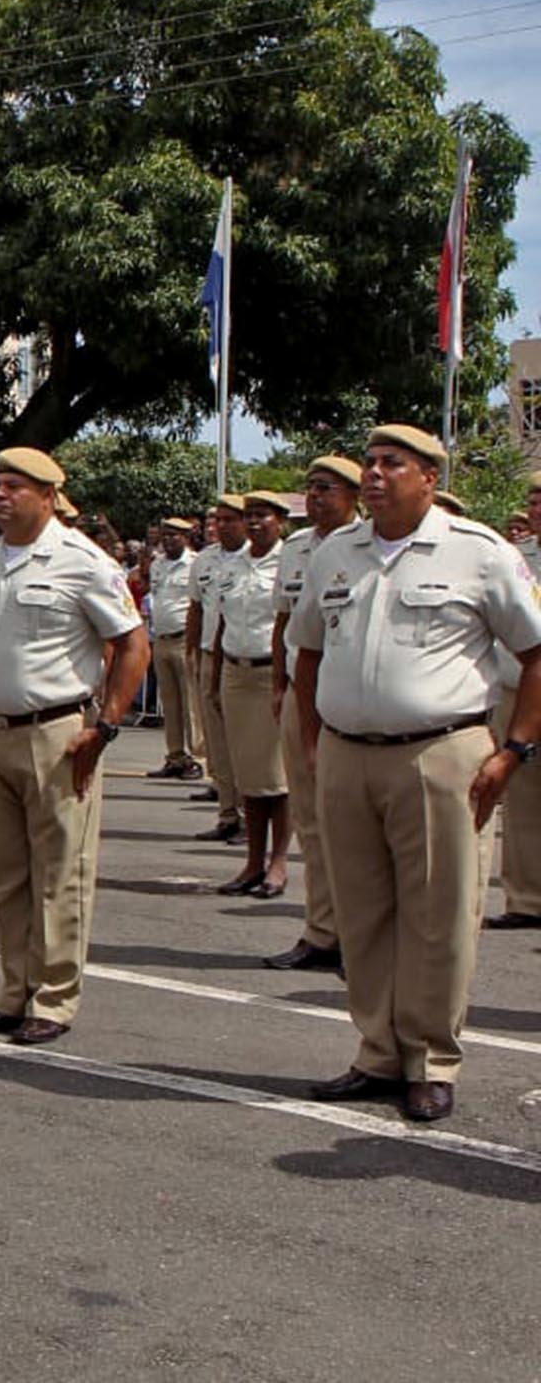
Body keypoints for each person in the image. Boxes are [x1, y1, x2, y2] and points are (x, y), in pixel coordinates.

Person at [288, 425, 541, 1124]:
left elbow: (536, 649)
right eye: (368, 463)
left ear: (429, 477)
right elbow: (307, 651)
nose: (373, 475)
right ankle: (375, 1052)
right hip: (347, 751)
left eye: (391, 464)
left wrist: (513, 750)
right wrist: (315, 742)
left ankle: (430, 1059)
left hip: (441, 750)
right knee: (362, 911)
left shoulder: (479, 552)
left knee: (439, 914)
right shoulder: (337, 552)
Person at [0, 447, 147, 1046]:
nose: (0, 495)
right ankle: (14, 990)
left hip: (57, 733)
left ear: (47, 496)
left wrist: (106, 725)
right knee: (7, 875)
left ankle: (54, 998)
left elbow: (132, 643)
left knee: (61, 872)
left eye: (14, 486)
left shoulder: (81, 561)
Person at [265, 457, 360, 970]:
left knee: (349, 824)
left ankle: (357, 934)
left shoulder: (365, 546)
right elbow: (284, 621)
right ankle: (322, 931)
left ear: (353, 495)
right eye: (311, 488)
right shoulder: (297, 549)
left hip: (345, 696)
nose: (317, 497)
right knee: (310, 815)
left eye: (327, 488)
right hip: (302, 690)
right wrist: (278, 684)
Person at [210, 492, 292, 897]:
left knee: (277, 778)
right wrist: (213, 681)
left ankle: (278, 863)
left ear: (281, 522)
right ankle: (252, 862)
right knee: (248, 777)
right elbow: (222, 622)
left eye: (263, 516)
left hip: (270, 675)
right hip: (234, 671)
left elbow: (291, 625)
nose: (255, 523)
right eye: (250, 516)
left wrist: (284, 682)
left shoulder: (289, 562)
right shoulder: (232, 565)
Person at [488, 469, 541, 932]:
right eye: (536, 500)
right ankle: (526, 898)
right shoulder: (514, 559)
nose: (540, 508)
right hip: (520, 685)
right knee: (522, 795)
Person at [187, 496, 248, 842]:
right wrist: (193, 654)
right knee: (217, 742)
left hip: (241, 658)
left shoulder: (259, 559)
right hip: (210, 655)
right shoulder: (205, 561)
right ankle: (227, 813)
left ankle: (248, 814)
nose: (220, 527)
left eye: (229, 520)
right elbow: (196, 608)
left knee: (245, 743)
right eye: (217, 520)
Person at [145, 519, 203, 780]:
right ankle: (175, 755)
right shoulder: (158, 564)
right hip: (161, 638)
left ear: (186, 537)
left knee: (190, 702)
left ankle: (197, 758)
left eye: (174, 536)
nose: (168, 540)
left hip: (184, 639)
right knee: (170, 704)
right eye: (165, 535)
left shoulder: (196, 564)